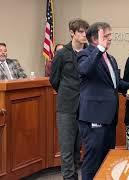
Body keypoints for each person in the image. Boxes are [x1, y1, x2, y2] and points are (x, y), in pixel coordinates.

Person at [77, 22, 129, 180]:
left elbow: (115, 83)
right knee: (92, 162)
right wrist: (100, 50)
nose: (110, 38)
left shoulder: (110, 58)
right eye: (106, 36)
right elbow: (85, 70)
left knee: (106, 161)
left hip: (109, 119)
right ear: (95, 39)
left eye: (110, 35)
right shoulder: (84, 55)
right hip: (93, 118)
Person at [49, 18, 89, 180]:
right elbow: (54, 79)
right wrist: (67, 92)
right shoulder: (62, 53)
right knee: (66, 147)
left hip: (85, 106)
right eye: (80, 31)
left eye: (85, 31)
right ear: (72, 33)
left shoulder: (89, 52)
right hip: (66, 106)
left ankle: (74, 176)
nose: (84, 34)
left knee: (77, 147)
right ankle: (68, 178)